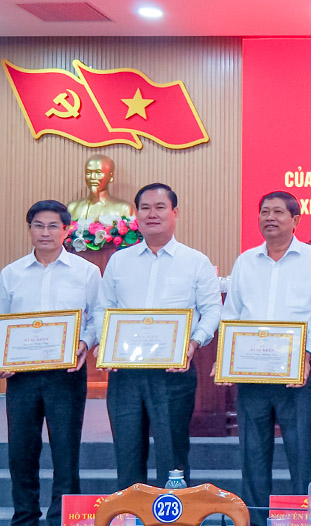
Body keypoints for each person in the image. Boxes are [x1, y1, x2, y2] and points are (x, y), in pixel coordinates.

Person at [95, 183, 221, 489]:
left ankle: (173, 512)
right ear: (136, 214)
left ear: (175, 213)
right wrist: (105, 343)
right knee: (127, 455)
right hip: (125, 372)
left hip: (172, 372)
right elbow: (103, 308)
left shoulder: (196, 261)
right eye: (145, 208)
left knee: (172, 457)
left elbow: (212, 311)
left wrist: (194, 343)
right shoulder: (119, 261)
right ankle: (130, 512)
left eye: (160, 207)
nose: (152, 214)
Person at [221, 191, 311, 526]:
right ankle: (257, 521)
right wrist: (226, 356)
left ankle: (304, 521)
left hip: (297, 375)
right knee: (253, 456)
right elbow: (232, 315)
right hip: (251, 376)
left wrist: (305, 354)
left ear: (295, 220)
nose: (269, 218)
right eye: (264, 212)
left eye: (278, 212)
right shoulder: (245, 261)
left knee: (301, 456)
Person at [0, 200, 100, 526]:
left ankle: (63, 519)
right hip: (22, 375)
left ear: (66, 230)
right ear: (29, 229)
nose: (45, 232)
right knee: (21, 452)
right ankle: (25, 517)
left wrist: (85, 342)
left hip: (66, 373)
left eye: (53, 226)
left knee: (66, 451)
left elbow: (98, 316)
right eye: (38, 226)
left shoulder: (86, 272)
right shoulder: (11, 274)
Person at [66, 154, 135, 221]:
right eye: (88, 172)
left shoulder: (124, 209)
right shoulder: (72, 208)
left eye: (98, 173)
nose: (92, 177)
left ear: (111, 177)